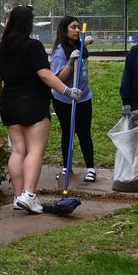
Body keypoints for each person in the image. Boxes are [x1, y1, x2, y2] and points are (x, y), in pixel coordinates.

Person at [0, 6, 83, 214]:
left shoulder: (1, 48)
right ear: (28, 24)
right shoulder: (33, 46)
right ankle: (29, 195)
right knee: (35, 150)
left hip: (10, 103)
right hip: (32, 101)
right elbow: (44, 74)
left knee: (17, 150)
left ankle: (18, 196)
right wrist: (67, 91)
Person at [50, 16, 97, 182]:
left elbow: (86, 44)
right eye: (73, 27)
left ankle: (91, 168)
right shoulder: (59, 52)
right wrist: (70, 62)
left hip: (83, 97)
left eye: (79, 27)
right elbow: (58, 80)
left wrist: (86, 43)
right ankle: (66, 168)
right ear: (64, 30)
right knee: (68, 131)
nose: (77, 30)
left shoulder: (80, 46)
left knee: (84, 132)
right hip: (64, 99)